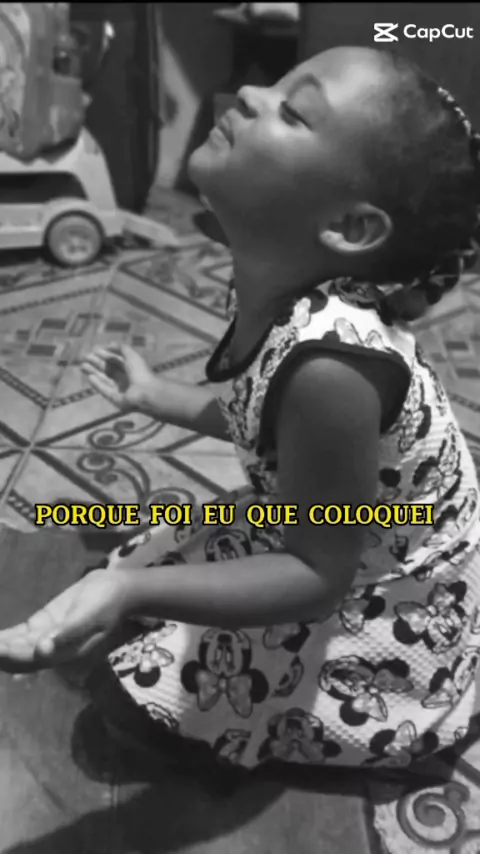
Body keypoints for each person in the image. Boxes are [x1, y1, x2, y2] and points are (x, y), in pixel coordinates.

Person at [1, 46, 480, 771]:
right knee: (148, 574)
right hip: (319, 521)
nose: (252, 93)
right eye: (275, 86)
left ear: (350, 227)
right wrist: (155, 397)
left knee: (132, 705)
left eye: (294, 111)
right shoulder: (285, 295)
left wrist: (127, 589)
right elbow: (261, 417)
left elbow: (317, 575)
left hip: (380, 586)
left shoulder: (333, 371)